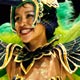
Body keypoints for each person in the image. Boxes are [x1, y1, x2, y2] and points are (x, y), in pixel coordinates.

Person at [0, 0, 80, 80]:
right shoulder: (11, 59)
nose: (22, 23)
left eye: (29, 16)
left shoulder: (61, 58)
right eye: (17, 18)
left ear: (45, 19)